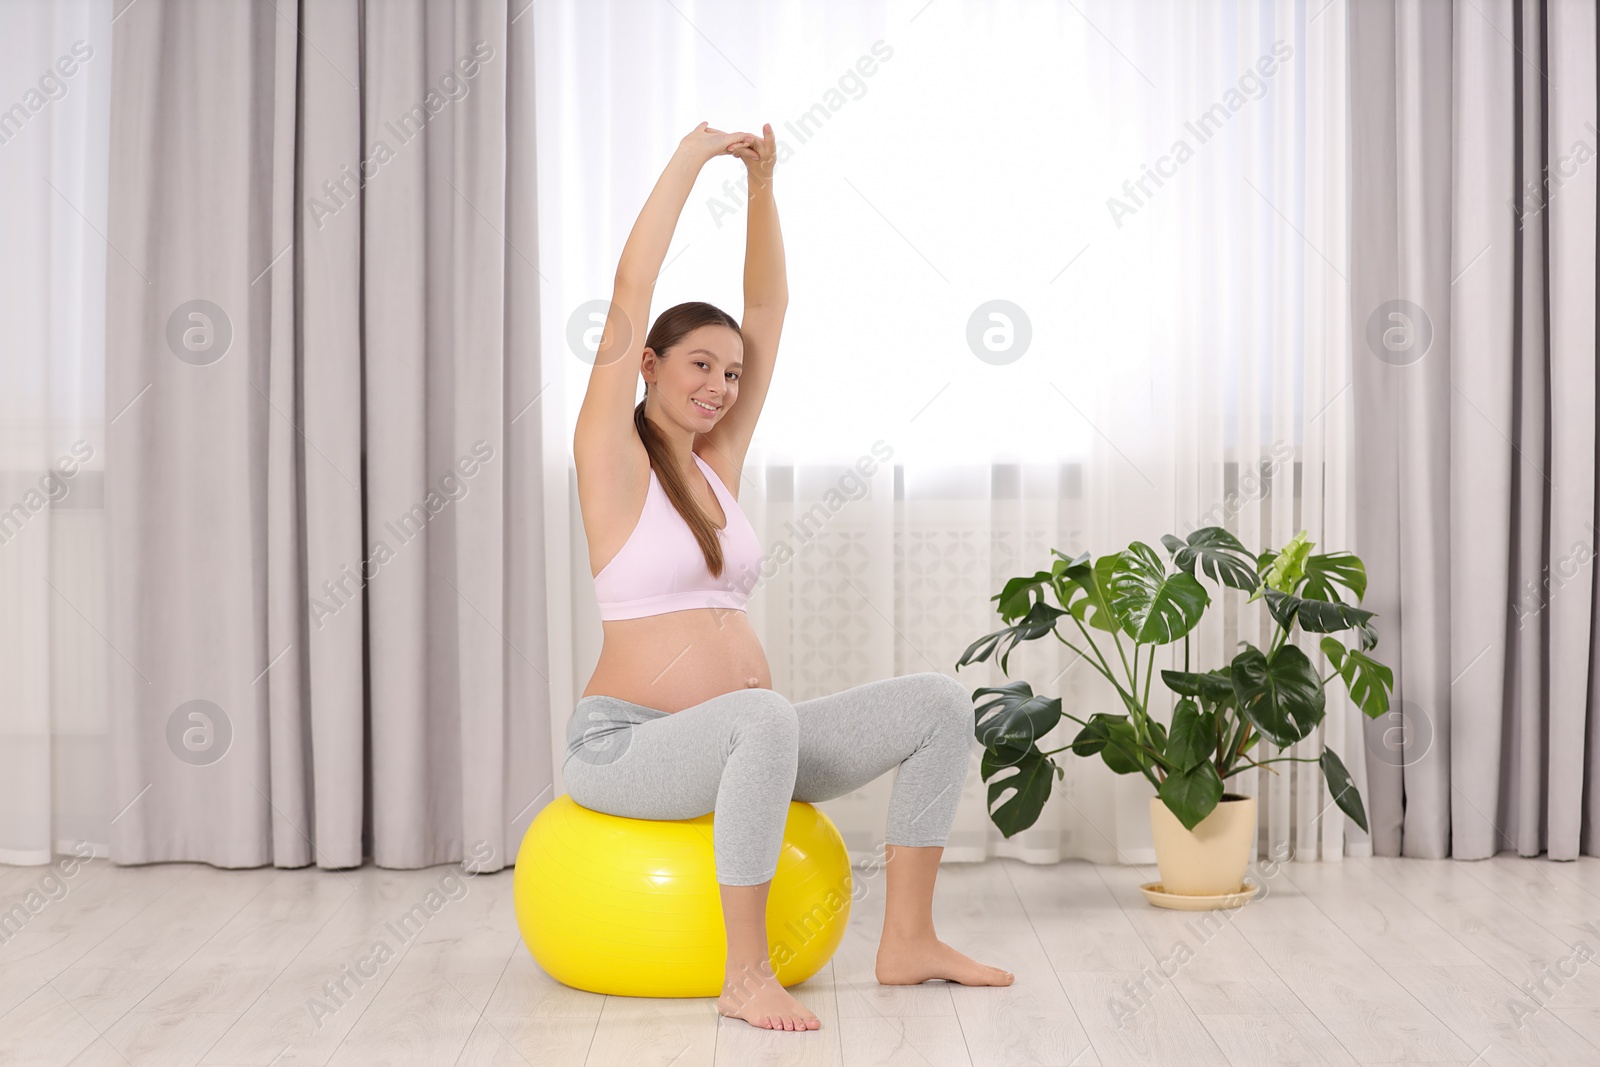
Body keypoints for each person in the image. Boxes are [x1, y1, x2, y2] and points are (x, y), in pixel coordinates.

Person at [566, 120, 1013, 1033]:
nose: (722, 386)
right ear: (646, 366)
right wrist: (695, 161)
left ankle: (911, 940)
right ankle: (743, 974)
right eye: (700, 365)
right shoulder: (611, 459)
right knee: (763, 716)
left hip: (743, 746)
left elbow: (766, 313)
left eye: (731, 374)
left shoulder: (715, 466)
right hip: (628, 747)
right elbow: (630, 289)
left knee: (938, 702)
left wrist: (762, 189)